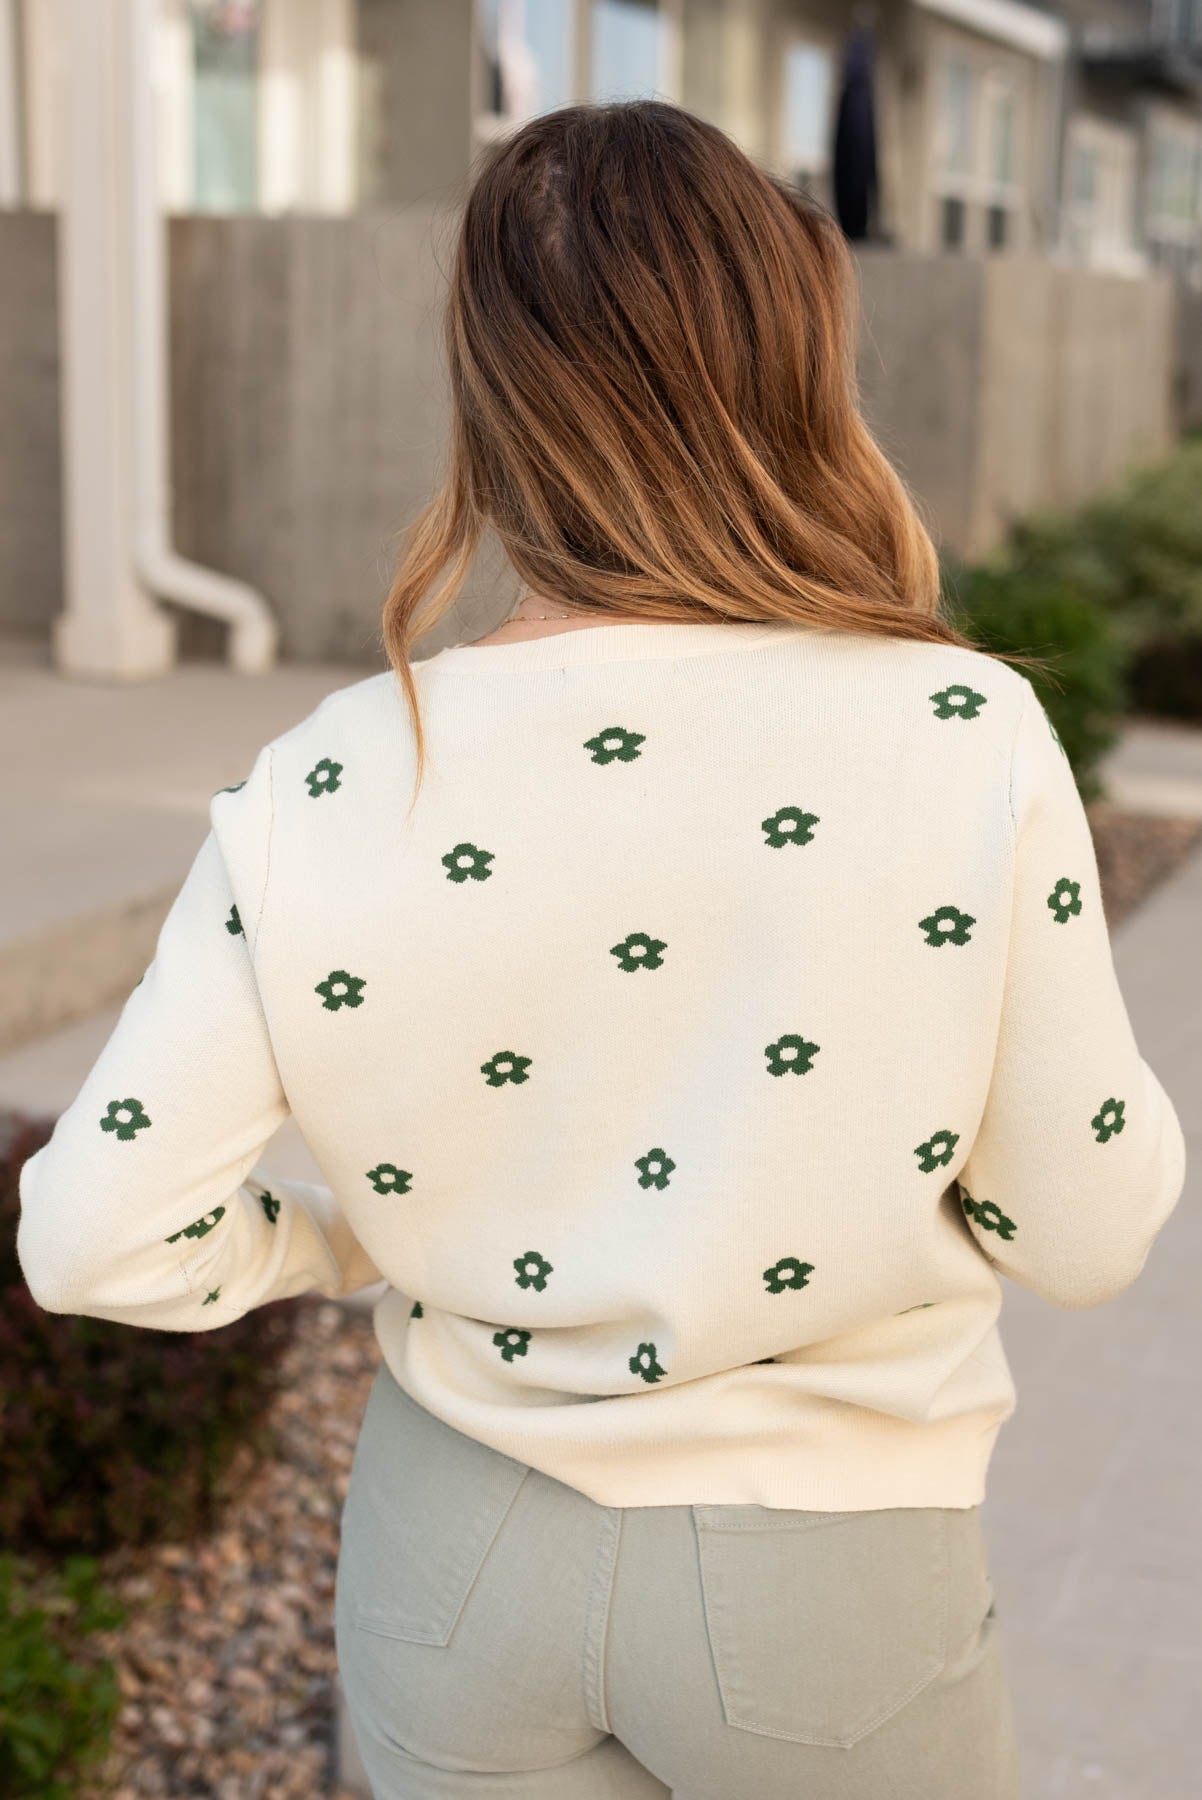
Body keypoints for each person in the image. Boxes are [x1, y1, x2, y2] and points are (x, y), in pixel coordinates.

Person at [17, 100, 1185, 1800]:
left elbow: (96, 1239)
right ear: (789, 365)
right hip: (825, 1573)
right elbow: (1081, 1229)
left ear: (488, 394)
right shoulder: (956, 730)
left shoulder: (333, 772)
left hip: (453, 1556)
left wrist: (349, 1248)